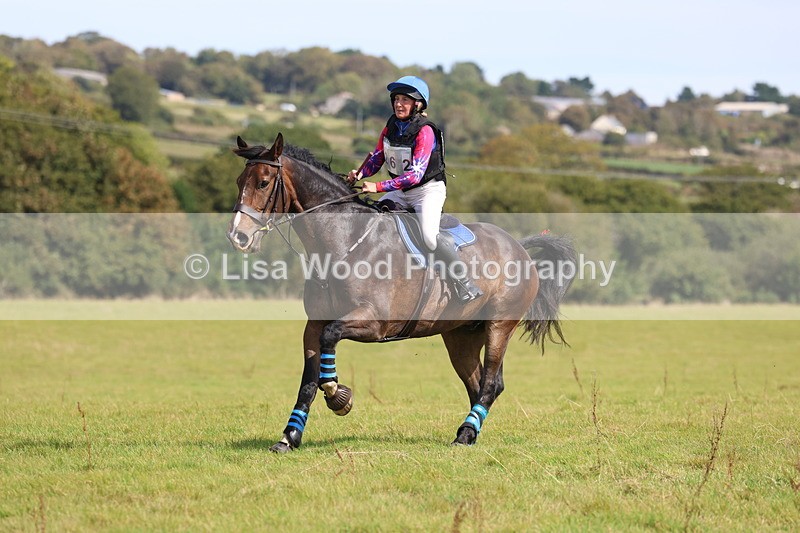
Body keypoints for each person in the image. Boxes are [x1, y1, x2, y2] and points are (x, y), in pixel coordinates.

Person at [347, 75, 482, 302]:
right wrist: (360, 173)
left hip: (427, 190)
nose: (399, 104)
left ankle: (465, 283)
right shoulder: (390, 127)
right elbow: (377, 158)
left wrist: (378, 186)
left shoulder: (425, 131)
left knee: (429, 237)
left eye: (405, 100)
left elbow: (415, 176)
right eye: (396, 99)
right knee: (371, 223)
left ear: (418, 105)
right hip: (401, 191)